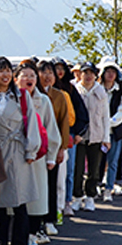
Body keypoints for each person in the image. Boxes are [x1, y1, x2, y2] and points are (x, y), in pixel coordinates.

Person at [0, 56, 40, 245]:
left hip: (17, 149)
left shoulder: (22, 96)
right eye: (1, 70)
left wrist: (30, 151)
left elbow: (32, 125)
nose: (5, 74)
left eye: (8, 70)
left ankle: (20, 244)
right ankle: (0, 244)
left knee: (19, 200)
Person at [16, 61, 60, 245]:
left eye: (32, 75)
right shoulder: (12, 99)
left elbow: (51, 128)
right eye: (24, 75)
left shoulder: (43, 100)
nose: (28, 79)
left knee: (37, 197)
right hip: (16, 156)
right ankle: (17, 237)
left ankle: (33, 234)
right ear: (15, 79)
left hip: (38, 157)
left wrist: (52, 155)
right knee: (16, 199)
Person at [37, 59, 71, 234]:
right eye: (44, 72)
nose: (48, 76)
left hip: (52, 146)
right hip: (35, 148)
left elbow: (63, 123)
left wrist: (61, 148)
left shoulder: (59, 95)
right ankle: (38, 222)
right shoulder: (30, 94)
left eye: (50, 72)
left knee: (51, 183)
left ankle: (50, 219)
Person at [72, 62, 109, 212]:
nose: (88, 76)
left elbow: (105, 116)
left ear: (96, 75)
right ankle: (77, 197)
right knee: (78, 168)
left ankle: (90, 197)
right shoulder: (75, 90)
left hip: (96, 135)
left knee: (94, 169)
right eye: (85, 72)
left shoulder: (100, 91)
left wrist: (106, 138)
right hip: (79, 137)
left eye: (91, 73)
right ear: (79, 74)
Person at [55, 59, 88, 218]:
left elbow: (81, 114)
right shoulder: (43, 89)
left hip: (69, 135)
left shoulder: (70, 89)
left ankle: (67, 201)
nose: (59, 72)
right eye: (56, 69)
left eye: (62, 68)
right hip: (50, 136)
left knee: (69, 171)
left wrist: (78, 133)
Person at [98, 57, 122, 202]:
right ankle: (96, 186)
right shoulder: (97, 89)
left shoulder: (120, 90)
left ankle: (109, 188)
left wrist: (107, 124)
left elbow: (121, 112)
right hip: (97, 131)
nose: (110, 74)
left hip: (115, 131)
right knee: (97, 161)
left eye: (113, 71)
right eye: (107, 71)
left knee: (113, 161)